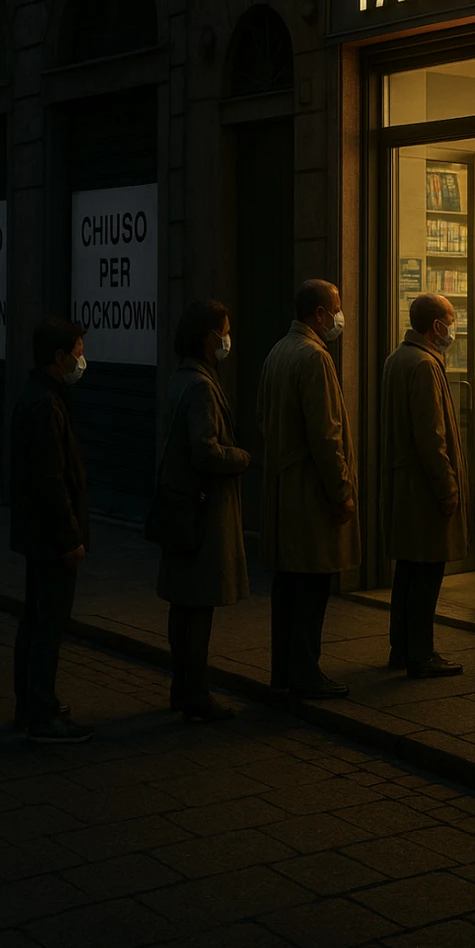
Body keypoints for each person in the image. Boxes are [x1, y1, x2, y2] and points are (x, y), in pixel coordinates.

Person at [257, 279, 360, 698]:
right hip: (310, 496)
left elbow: (264, 420)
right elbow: (327, 435)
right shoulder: (314, 358)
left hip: (285, 491)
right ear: (319, 314)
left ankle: (284, 672)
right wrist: (342, 492)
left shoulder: (278, 351)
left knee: (288, 590)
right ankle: (305, 674)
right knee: (311, 590)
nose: (339, 316)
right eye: (336, 308)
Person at [156, 300, 251, 723]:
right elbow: (204, 449)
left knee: (184, 605)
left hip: (182, 508)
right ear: (209, 337)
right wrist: (240, 457)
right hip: (202, 512)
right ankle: (195, 693)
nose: (228, 339)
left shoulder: (181, 377)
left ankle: (184, 687)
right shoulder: (200, 385)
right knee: (198, 608)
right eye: (224, 331)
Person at [10, 316, 94, 742]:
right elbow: (51, 478)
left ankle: (30, 703)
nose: (83, 358)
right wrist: (70, 537)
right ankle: (42, 714)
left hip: (35, 533)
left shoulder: (40, 396)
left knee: (35, 620)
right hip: (50, 536)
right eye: (78, 351)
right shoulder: (45, 404)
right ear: (59, 357)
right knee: (47, 626)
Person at [381, 294, 468, 678]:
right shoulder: (425, 365)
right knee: (427, 572)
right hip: (424, 487)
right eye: (451, 319)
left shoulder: (397, 358)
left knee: (408, 571)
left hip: (405, 484)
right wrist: (447, 486)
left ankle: (401, 646)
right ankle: (421, 652)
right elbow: (432, 436)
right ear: (436, 326)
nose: (454, 326)